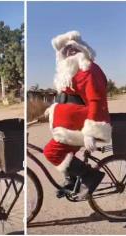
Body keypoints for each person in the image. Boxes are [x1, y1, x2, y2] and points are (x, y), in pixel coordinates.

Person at [43, 31, 111, 199]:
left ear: (82, 48)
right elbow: (68, 97)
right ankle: (72, 180)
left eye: (73, 49)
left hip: (82, 126)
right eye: (65, 51)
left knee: (51, 152)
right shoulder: (71, 72)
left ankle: (90, 176)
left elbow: (96, 101)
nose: (69, 53)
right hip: (69, 126)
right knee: (65, 153)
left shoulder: (89, 70)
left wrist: (90, 132)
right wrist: (53, 108)